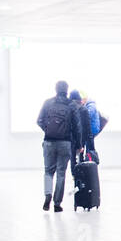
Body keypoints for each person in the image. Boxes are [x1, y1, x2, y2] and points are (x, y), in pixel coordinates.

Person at [36, 80, 83, 212]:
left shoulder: (47, 102)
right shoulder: (72, 105)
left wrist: (49, 130)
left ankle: (47, 195)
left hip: (49, 142)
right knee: (61, 173)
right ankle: (57, 204)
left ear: (55, 89)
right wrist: (78, 145)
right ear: (67, 90)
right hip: (65, 142)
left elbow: (39, 120)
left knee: (48, 171)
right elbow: (77, 127)